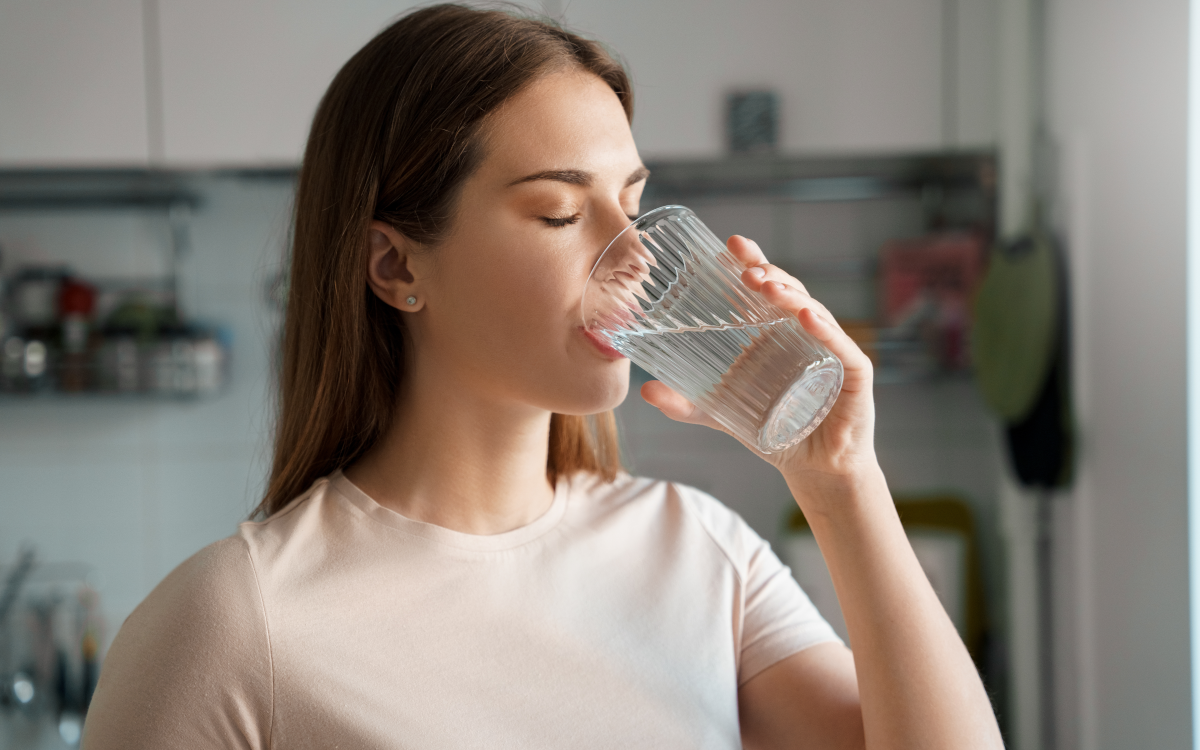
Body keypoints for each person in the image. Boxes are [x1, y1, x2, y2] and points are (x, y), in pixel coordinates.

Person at [82, 5, 1003, 749]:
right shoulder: (237, 625)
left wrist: (841, 483)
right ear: (397, 269)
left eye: (634, 202)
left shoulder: (698, 554)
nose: (636, 253)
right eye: (562, 212)